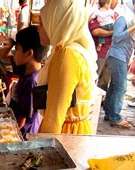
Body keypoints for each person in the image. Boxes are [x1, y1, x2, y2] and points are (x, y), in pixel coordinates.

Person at [37, 0, 98, 135]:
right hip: (73, 133)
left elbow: (54, 118)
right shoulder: (73, 51)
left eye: (42, 23)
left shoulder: (66, 55)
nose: (38, 29)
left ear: (58, 21)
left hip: (64, 136)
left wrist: (41, 152)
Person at [1, 26, 46, 137]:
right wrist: (11, 44)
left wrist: (1, 131)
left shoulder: (31, 82)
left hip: (22, 134)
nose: (14, 53)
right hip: (18, 128)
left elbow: (21, 121)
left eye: (16, 49)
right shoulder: (25, 68)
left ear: (28, 54)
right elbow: (2, 56)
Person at [103, 0, 135, 128]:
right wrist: (133, 28)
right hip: (116, 55)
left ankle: (109, 113)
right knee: (121, 86)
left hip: (123, 55)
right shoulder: (124, 16)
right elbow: (116, 37)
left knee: (114, 86)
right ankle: (115, 117)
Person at [89, 0, 119, 92]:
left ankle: (100, 100)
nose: (116, 2)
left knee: (105, 80)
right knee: (94, 76)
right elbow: (96, 31)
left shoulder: (115, 14)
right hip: (100, 52)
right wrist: (112, 32)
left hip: (112, 52)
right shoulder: (97, 14)